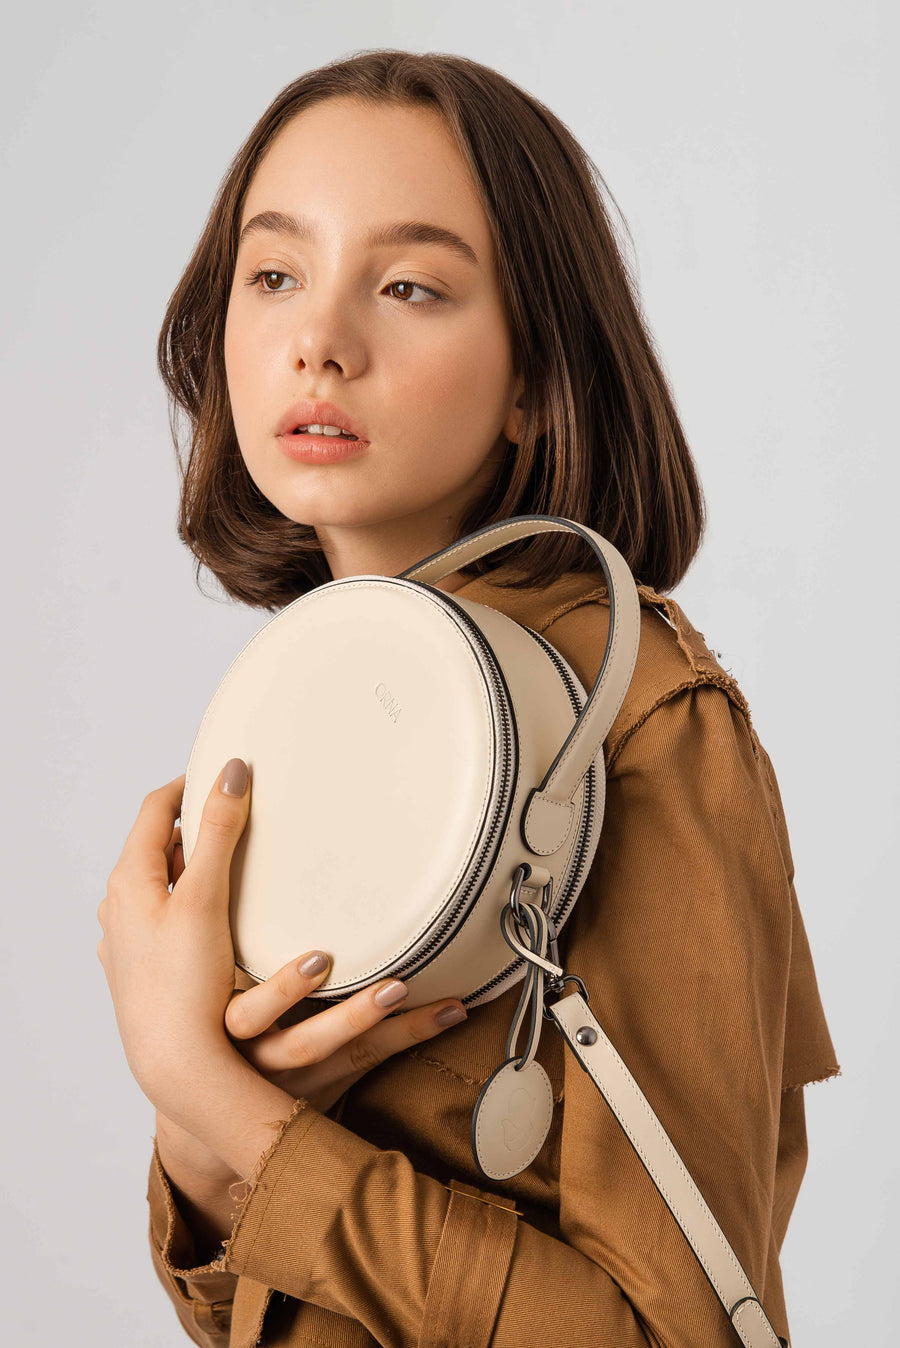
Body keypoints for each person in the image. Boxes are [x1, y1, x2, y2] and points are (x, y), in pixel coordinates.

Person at [96, 49, 841, 1348]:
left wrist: (223, 1108)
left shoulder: (632, 719)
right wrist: (198, 1144)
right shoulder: (315, 706)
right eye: (274, 275)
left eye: (409, 287)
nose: (320, 343)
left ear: (535, 379)